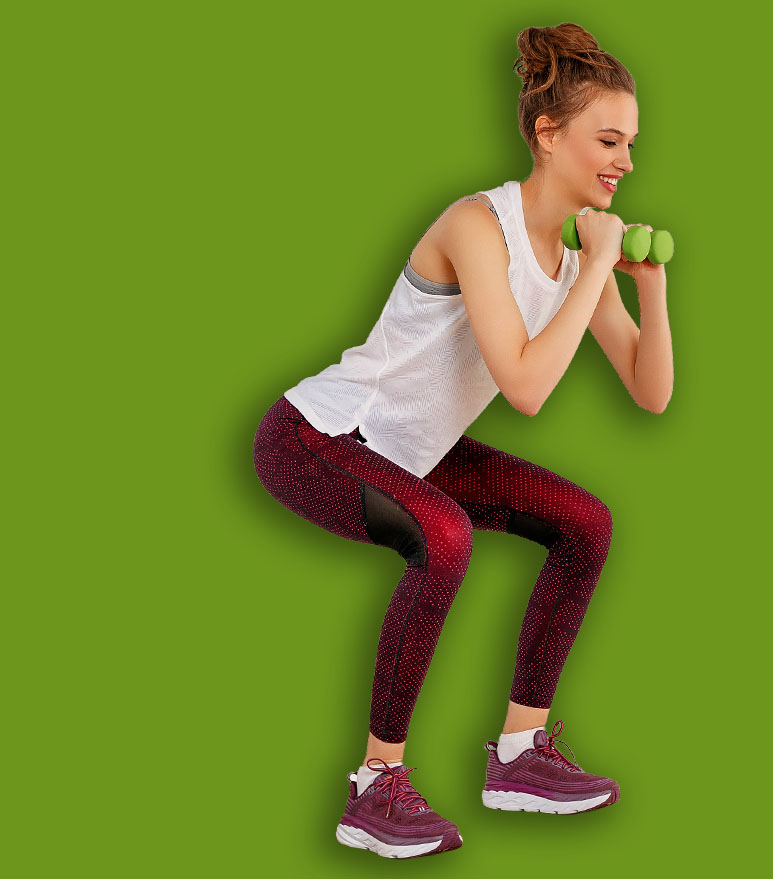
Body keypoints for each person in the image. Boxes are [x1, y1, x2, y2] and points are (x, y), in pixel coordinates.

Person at [252, 22, 672, 860]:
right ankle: (375, 785)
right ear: (548, 135)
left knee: (586, 522)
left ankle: (520, 753)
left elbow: (651, 391)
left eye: (632, 142)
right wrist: (594, 272)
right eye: (608, 139)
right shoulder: (480, 225)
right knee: (442, 538)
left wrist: (648, 289)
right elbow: (523, 385)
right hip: (318, 435)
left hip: (414, 448)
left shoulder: (578, 249)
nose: (625, 160)